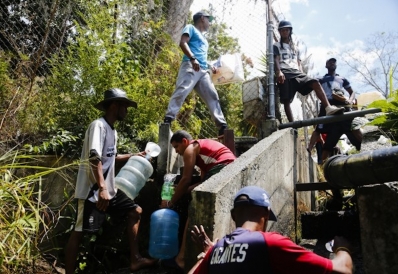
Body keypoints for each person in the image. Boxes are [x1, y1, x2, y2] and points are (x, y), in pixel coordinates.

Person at [65, 88, 155, 274]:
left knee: (135, 211)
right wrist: (102, 188)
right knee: (79, 230)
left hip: (107, 189)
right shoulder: (98, 126)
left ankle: (135, 260)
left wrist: (133, 155)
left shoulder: (112, 131)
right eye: (125, 106)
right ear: (114, 105)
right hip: (93, 190)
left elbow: (110, 157)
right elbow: (94, 157)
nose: (126, 111)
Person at [189, 186, 353, 274]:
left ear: (233, 215)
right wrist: (342, 249)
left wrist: (207, 255)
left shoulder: (215, 251)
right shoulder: (270, 243)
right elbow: (342, 270)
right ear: (266, 213)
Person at [160, 130, 236, 270]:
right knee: (192, 200)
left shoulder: (190, 148)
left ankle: (181, 258)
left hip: (223, 166)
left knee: (194, 209)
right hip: (228, 168)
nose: (176, 152)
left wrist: (170, 203)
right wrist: (184, 190)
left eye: (176, 147)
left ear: (184, 141)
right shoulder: (203, 154)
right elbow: (201, 182)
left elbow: (185, 179)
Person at [163, 11, 228, 136]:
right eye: (209, 20)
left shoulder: (204, 39)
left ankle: (222, 126)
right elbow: (183, 43)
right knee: (182, 90)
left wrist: (210, 66)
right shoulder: (190, 28)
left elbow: (201, 56)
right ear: (202, 18)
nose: (210, 23)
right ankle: (169, 119)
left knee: (212, 95)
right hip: (190, 65)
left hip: (203, 71)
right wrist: (192, 58)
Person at [274, 20, 344, 122]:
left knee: (315, 82)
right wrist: (279, 72)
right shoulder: (276, 45)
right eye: (282, 30)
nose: (284, 32)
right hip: (285, 71)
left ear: (290, 31)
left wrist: (302, 73)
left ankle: (328, 107)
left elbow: (298, 63)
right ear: (280, 32)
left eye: (286, 30)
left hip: (297, 72)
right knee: (286, 100)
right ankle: (293, 125)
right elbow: (276, 59)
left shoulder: (295, 48)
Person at [316, 58, 363, 162]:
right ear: (326, 66)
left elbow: (352, 92)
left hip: (343, 108)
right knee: (328, 144)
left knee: (356, 132)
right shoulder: (321, 79)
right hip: (330, 109)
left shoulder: (342, 78)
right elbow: (314, 86)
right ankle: (321, 168)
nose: (332, 63)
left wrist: (351, 101)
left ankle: (369, 156)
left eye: (334, 62)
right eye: (329, 62)